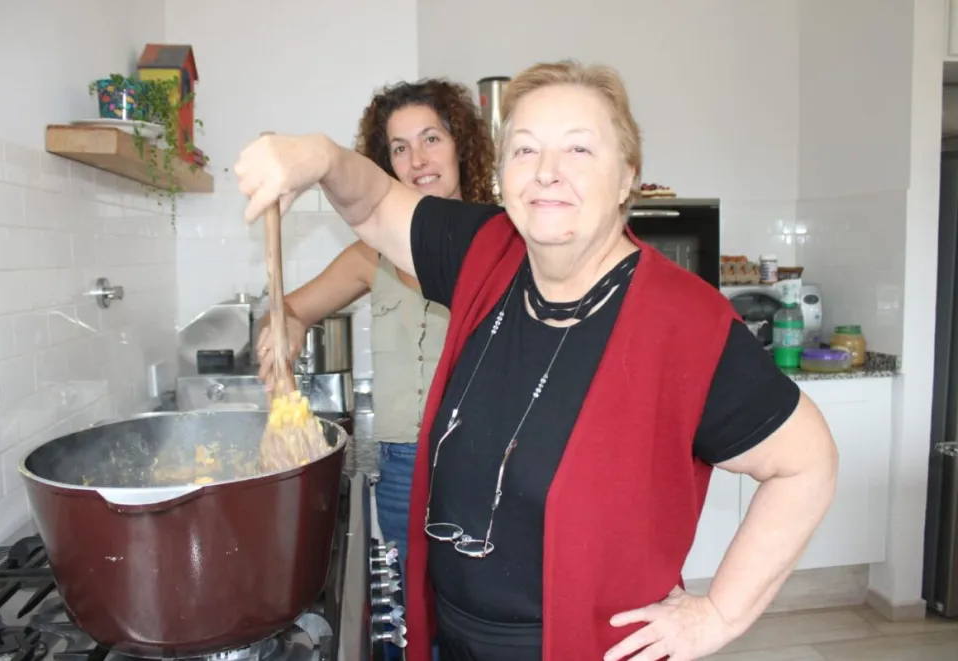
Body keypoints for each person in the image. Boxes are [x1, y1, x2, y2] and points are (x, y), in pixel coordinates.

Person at [235, 60, 838, 661]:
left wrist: (719, 613)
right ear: (501, 175)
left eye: (578, 149)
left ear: (628, 176)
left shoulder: (684, 324)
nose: (548, 172)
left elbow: (806, 463)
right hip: (454, 637)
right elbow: (370, 207)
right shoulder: (485, 251)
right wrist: (320, 155)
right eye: (525, 150)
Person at [253, 79, 496, 581]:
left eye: (432, 139)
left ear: (461, 147)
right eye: (400, 148)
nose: (418, 160)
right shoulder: (371, 256)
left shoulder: (499, 239)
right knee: (413, 614)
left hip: (486, 465)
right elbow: (289, 310)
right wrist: (284, 336)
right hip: (404, 468)